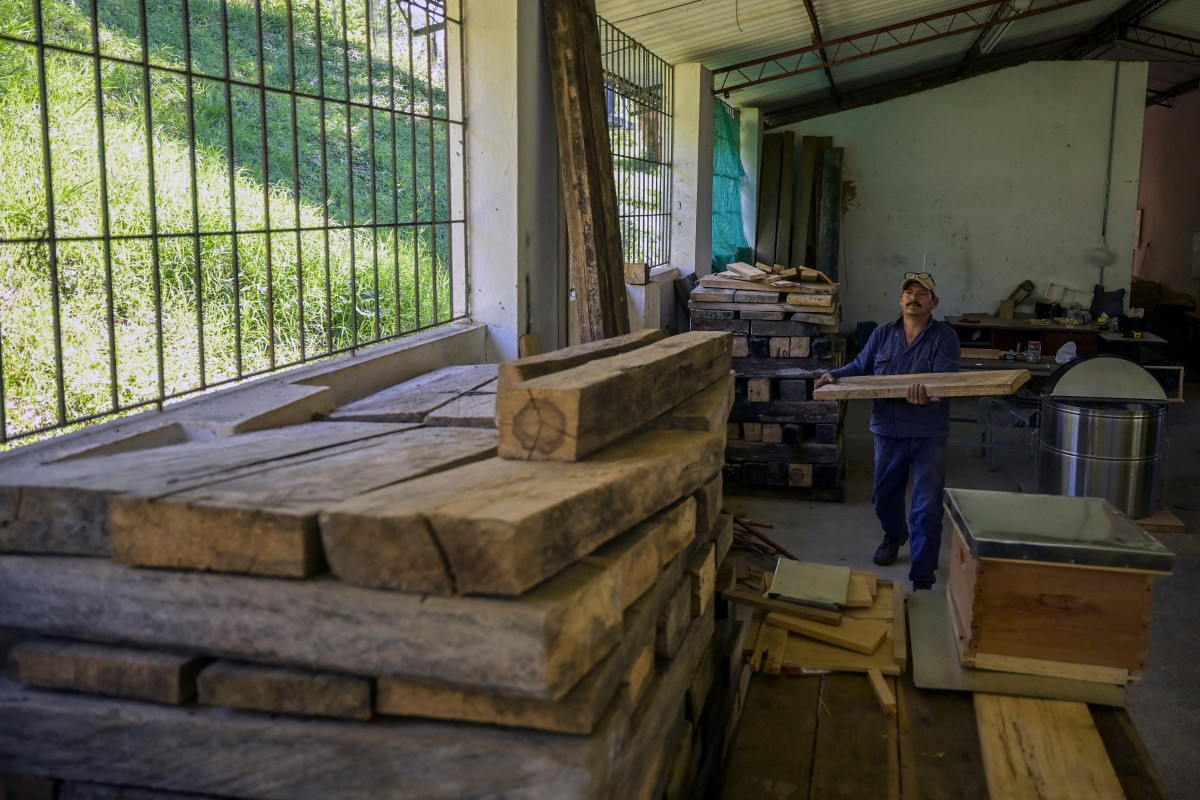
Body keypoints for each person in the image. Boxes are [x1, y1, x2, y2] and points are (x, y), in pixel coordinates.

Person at [814, 272, 960, 591]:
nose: (914, 297)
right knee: (883, 496)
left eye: (923, 293)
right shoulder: (882, 334)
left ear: (934, 303)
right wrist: (834, 374)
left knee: (926, 505)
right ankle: (894, 534)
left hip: (928, 432)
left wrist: (930, 393)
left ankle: (922, 576)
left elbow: (945, 381)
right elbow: (861, 366)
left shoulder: (945, 337)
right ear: (900, 299)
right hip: (888, 429)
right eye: (908, 292)